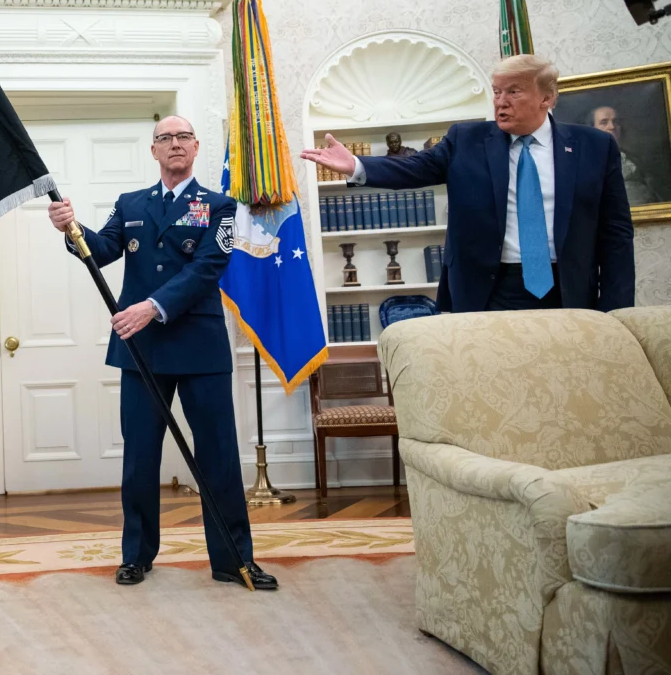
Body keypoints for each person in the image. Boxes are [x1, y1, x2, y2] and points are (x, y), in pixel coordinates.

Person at [47, 115, 276, 590]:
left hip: (198, 346)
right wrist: (72, 228)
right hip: (142, 350)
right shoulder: (131, 203)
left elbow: (208, 268)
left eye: (183, 137)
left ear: (195, 148)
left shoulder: (223, 208)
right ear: (153, 151)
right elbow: (103, 248)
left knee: (217, 455)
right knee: (140, 457)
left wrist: (151, 307)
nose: (174, 144)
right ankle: (137, 556)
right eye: (165, 138)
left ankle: (234, 559)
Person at [301, 55, 634, 312]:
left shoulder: (594, 146)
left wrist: (618, 309)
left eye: (513, 92)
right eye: (497, 91)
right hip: (490, 289)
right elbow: (416, 168)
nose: (500, 101)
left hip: (570, 289)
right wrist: (357, 165)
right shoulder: (466, 140)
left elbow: (616, 232)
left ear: (546, 98)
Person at [587, 105, 658, 205]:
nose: (612, 127)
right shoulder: (583, 162)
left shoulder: (634, 159)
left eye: (615, 122)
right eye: (604, 122)